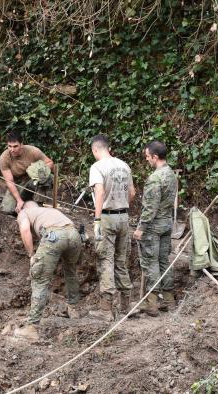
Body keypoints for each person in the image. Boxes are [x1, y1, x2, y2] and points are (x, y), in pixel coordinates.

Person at [13, 201, 81, 341]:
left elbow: (25, 229)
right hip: (74, 234)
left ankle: (32, 327)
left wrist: (31, 255)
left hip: (55, 236)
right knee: (70, 271)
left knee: (40, 278)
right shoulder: (49, 211)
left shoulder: (24, 212)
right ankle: (74, 309)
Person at [88, 134, 135, 321]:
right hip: (124, 217)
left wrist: (97, 219)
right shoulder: (124, 165)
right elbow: (132, 193)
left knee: (105, 260)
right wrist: (121, 205)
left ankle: (106, 309)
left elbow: (99, 192)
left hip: (107, 217)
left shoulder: (97, 167)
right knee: (121, 261)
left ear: (95, 149)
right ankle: (126, 305)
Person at [133, 141, 177, 316]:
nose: (146, 159)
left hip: (154, 226)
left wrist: (141, 228)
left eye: (147, 156)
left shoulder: (155, 178)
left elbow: (150, 207)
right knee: (163, 261)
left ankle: (151, 303)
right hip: (167, 224)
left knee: (151, 262)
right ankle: (169, 300)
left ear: (155, 157)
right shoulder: (171, 174)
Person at [0, 132, 55, 214]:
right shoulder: (4, 158)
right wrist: (19, 200)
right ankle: (25, 200)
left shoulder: (32, 151)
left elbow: (50, 163)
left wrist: (38, 172)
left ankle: (40, 204)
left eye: (15, 146)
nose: (12, 149)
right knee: (8, 210)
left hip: (32, 179)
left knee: (47, 177)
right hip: (17, 183)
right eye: (9, 146)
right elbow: (9, 182)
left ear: (21, 144)